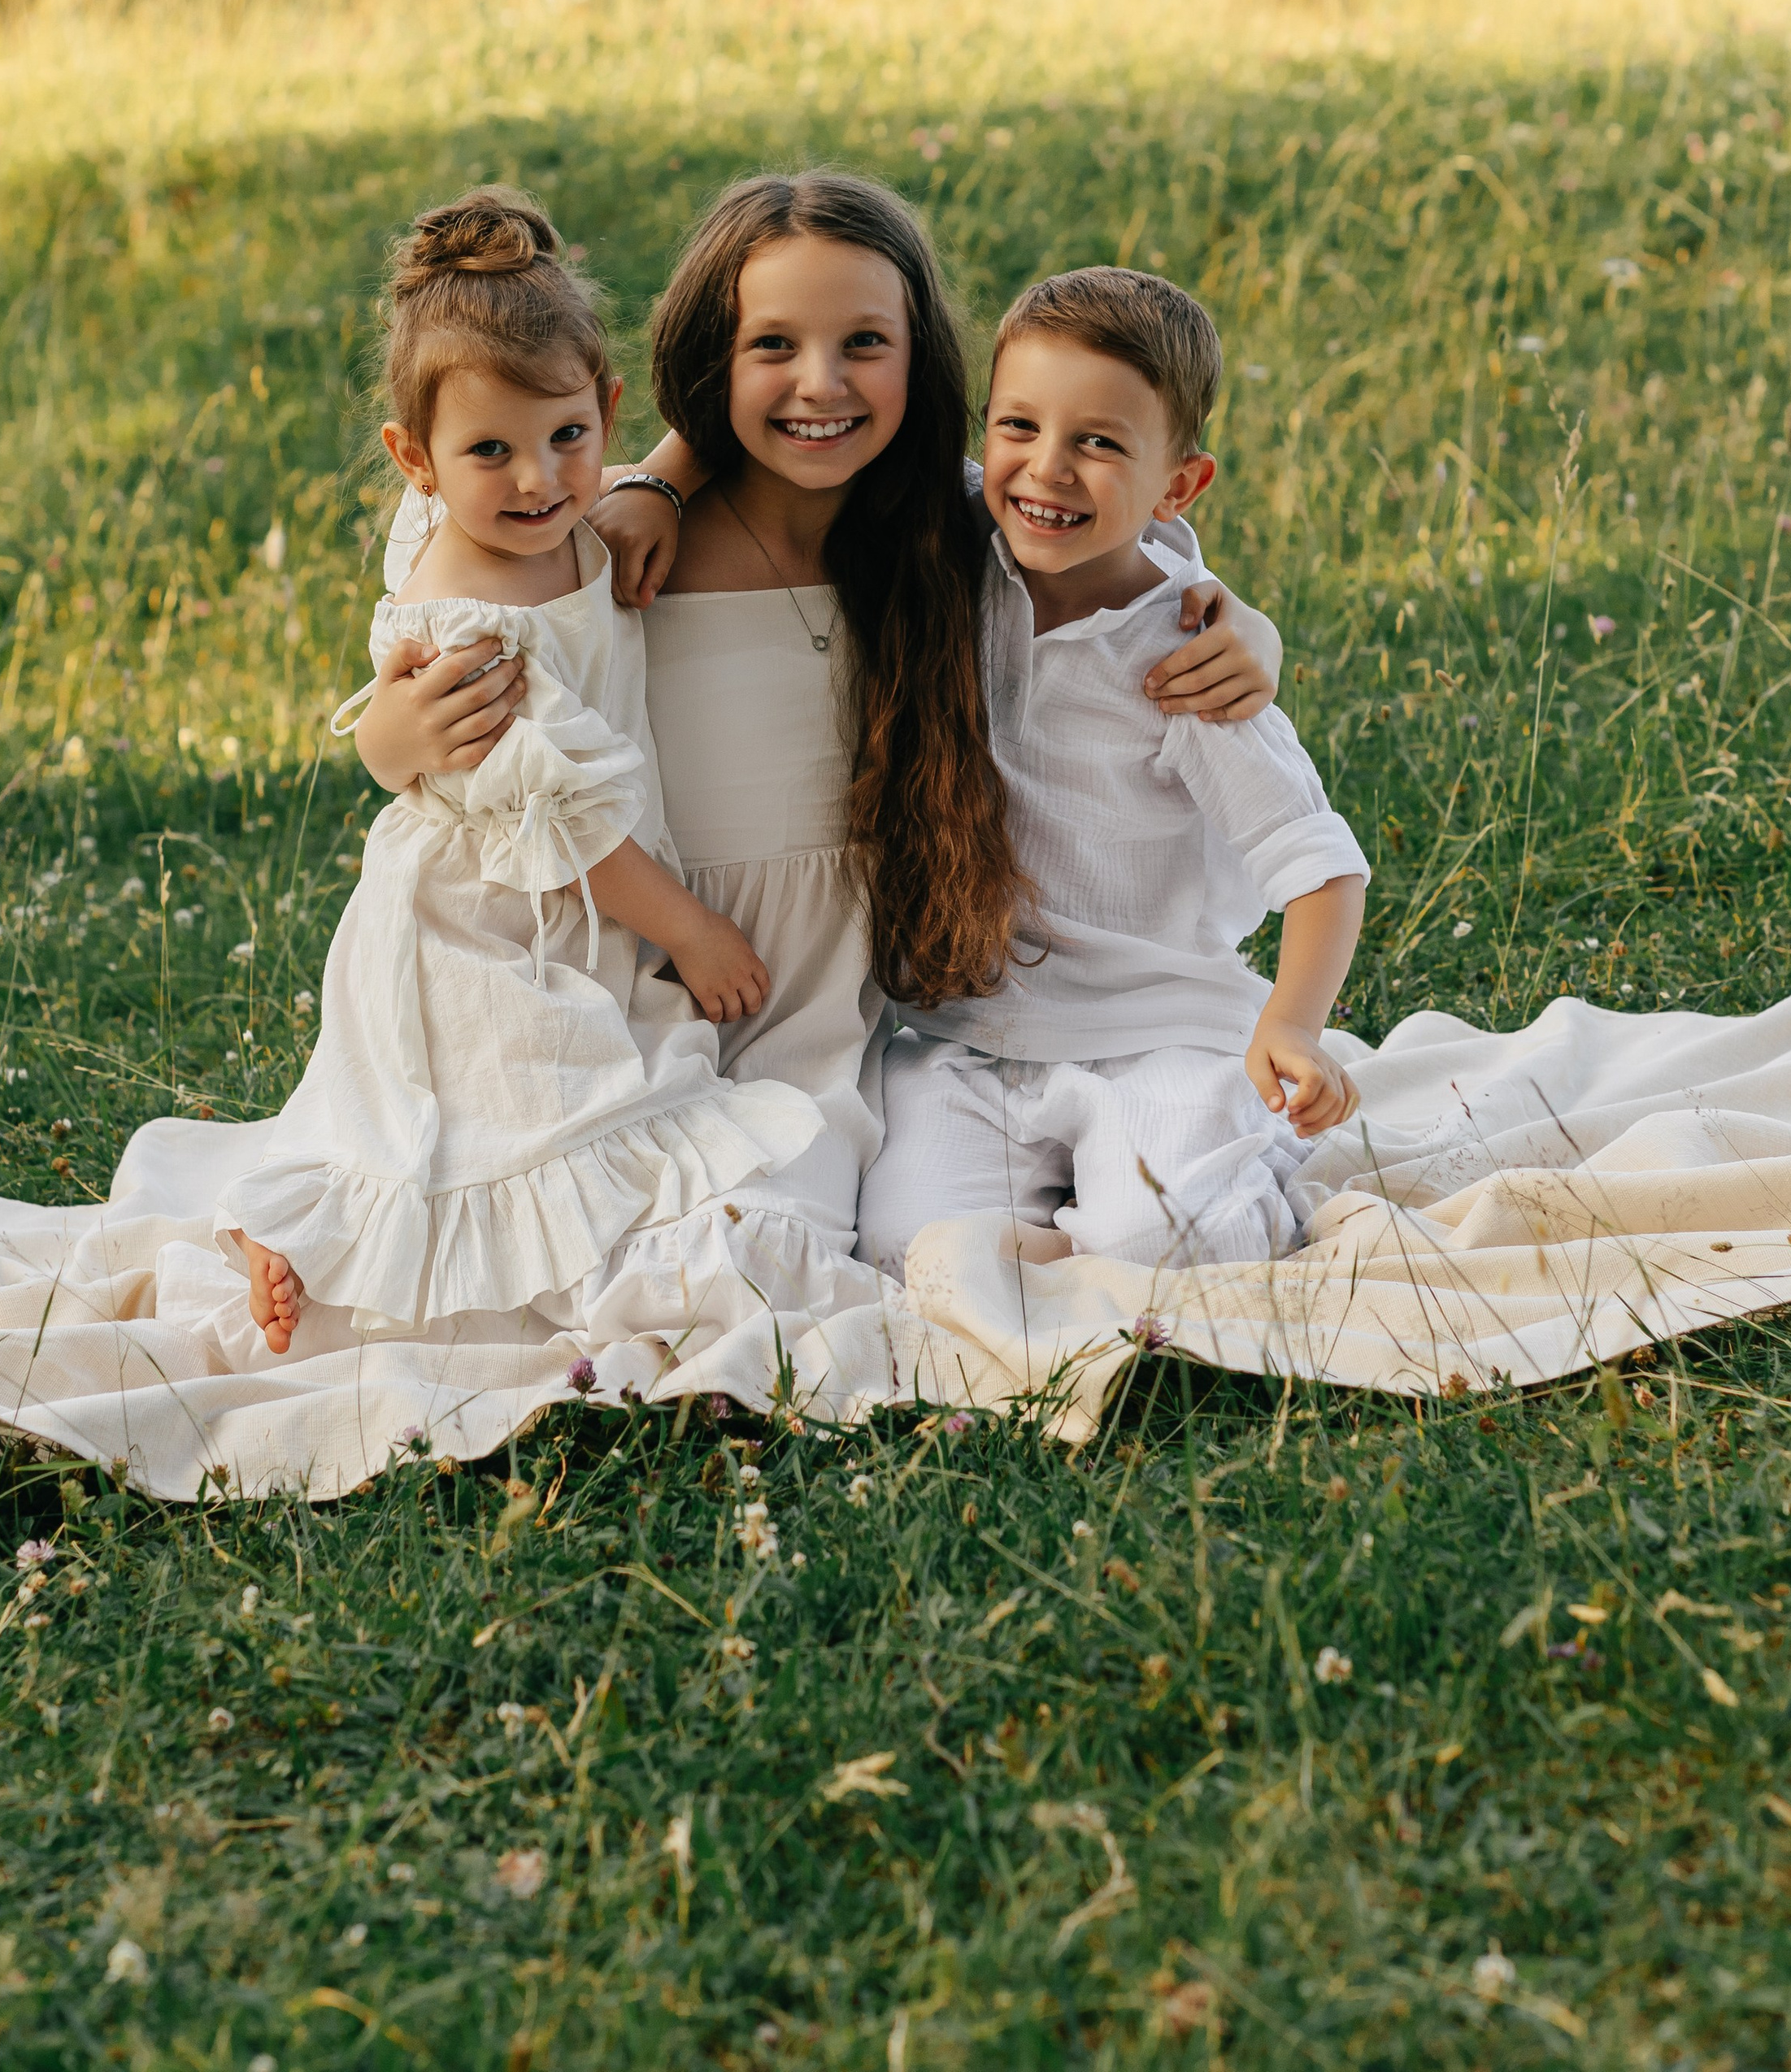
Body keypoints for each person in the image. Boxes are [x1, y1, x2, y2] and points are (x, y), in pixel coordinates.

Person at [357, 174, 1285, 1347]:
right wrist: (385, 741)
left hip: (814, 1006)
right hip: (628, 978)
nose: (821, 383)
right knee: (553, 1270)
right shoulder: (602, 534)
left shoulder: (943, 531)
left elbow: (1116, 549)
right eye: (773, 345)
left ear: (920, 356)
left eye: (865, 344)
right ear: (713, 358)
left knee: (761, 1269)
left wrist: (1247, 626)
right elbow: (454, 667)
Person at [221, 189, 818, 1355]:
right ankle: (303, 1238)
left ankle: (310, 1222)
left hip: (571, 909)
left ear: (606, 412)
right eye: (489, 451)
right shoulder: (474, 630)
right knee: (512, 1137)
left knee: (588, 1114)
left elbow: (691, 443)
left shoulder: (573, 518)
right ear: (416, 462)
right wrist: (691, 931)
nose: (539, 479)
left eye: (567, 438)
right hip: (482, 928)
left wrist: (653, 479)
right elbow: (566, 821)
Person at [854, 263, 1370, 1281]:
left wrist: (1293, 1026)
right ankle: (1077, 1228)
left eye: (1097, 443)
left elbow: (1319, 862)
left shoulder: (1184, 658)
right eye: (1018, 427)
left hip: (1157, 1030)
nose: (1046, 469)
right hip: (968, 1037)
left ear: (1178, 486)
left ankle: (1217, 1164)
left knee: (1174, 1245)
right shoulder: (955, 554)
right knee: (900, 1246)